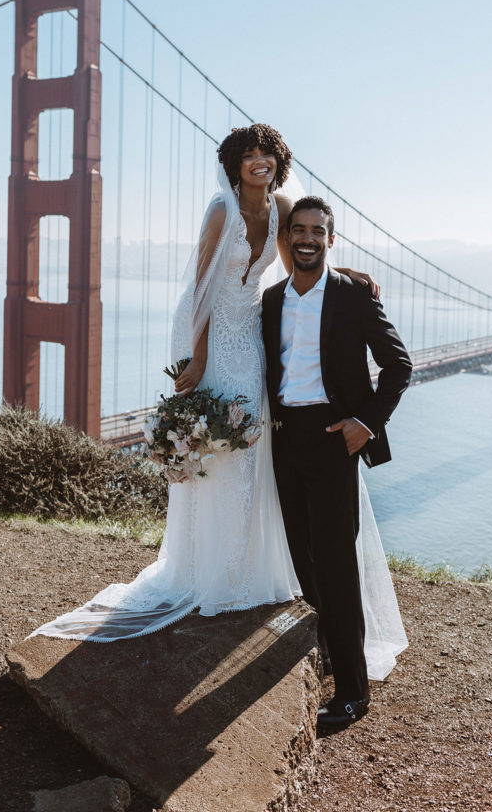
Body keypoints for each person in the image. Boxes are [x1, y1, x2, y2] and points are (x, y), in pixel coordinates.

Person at [24, 126, 407, 691]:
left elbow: (298, 258)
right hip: (211, 333)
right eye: (249, 155)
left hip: (250, 336)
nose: (259, 162)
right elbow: (201, 286)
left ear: (280, 163)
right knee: (218, 448)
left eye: (268, 155)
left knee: (253, 446)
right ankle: (213, 572)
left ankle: (252, 569)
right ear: (234, 163)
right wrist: (196, 359)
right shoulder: (220, 211)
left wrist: (343, 274)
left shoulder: (280, 205)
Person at [262, 195, 412, 727]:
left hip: (332, 439)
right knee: (302, 558)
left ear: (331, 238)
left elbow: (398, 366)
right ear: (288, 238)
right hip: (282, 438)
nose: (307, 238)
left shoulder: (354, 297)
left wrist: (366, 422)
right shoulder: (274, 300)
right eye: (298, 230)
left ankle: (352, 691)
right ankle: (323, 653)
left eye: (317, 231)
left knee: (336, 564)